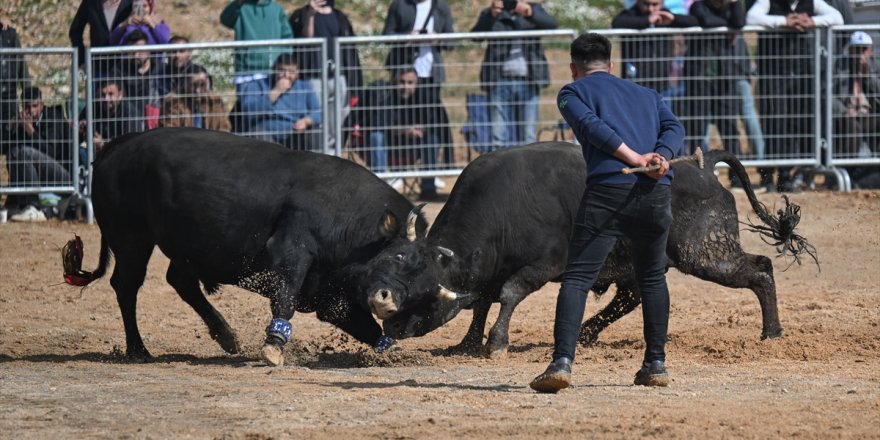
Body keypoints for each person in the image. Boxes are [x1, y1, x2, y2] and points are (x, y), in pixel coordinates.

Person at [529, 33, 684, 393]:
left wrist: (636, 159)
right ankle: (655, 364)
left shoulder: (571, 92)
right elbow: (675, 127)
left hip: (609, 191)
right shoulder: (647, 95)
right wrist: (660, 154)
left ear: (573, 67)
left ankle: (562, 362)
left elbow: (592, 129)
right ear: (611, 65)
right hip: (656, 192)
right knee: (652, 277)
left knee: (579, 278)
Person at [746, 0, 842, 192]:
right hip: (773, 74)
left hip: (800, 75)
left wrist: (811, 22)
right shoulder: (768, 2)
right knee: (774, 124)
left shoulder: (812, 3)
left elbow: (837, 18)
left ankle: (785, 176)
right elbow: (751, 18)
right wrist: (785, 21)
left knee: (793, 125)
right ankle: (767, 177)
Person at [687, 0, 765, 189]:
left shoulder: (732, 7)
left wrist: (735, 4)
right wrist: (725, 24)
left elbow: (739, 23)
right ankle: (698, 177)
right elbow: (705, 21)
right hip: (700, 76)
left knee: (729, 128)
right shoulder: (699, 6)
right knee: (697, 127)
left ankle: (736, 179)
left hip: (727, 77)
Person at [470, 0, 558, 150]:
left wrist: (529, 12)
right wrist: (491, 16)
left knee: (528, 136)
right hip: (499, 80)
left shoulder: (532, 9)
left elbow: (552, 25)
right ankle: (499, 171)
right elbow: (475, 36)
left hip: (529, 80)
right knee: (498, 136)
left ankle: (528, 172)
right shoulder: (491, 13)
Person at [361, 68, 452, 200]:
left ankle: (428, 189)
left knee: (432, 138)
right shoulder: (386, 96)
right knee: (376, 136)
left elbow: (436, 124)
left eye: (410, 82)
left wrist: (423, 129)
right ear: (394, 82)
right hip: (389, 148)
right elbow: (377, 123)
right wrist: (406, 130)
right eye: (402, 82)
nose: (405, 86)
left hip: (414, 149)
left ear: (417, 83)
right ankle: (379, 191)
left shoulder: (424, 98)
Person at [289, 0, 363, 151]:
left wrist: (354, 83)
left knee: (338, 121)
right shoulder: (302, 14)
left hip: (338, 77)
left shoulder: (339, 16)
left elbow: (350, 51)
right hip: (314, 77)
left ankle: (334, 157)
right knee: (318, 120)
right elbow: (306, 40)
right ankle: (320, 156)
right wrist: (311, 14)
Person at [5, 87, 72, 222]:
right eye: (26, 107)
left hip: (63, 175)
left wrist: (32, 133)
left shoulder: (53, 117)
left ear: (41, 105)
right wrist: (10, 128)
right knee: (14, 151)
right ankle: (18, 202)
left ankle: (33, 206)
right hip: (38, 173)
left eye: (34, 106)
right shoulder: (23, 121)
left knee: (24, 152)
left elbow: (51, 152)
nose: (30, 111)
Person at [611, 0, 698, 95]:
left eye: (655, 4)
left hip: (662, 84)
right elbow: (617, 22)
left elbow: (694, 22)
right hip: (635, 84)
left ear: (662, 3)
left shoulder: (664, 14)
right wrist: (647, 21)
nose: (650, 9)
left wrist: (674, 19)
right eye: (646, 4)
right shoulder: (630, 14)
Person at [239, 53, 322, 150]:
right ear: (274, 70)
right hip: (266, 134)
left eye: (291, 71)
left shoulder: (305, 87)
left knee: (316, 134)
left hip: (295, 134)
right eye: (282, 70)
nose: (286, 76)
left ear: (297, 74)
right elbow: (248, 111)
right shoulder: (257, 85)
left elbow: (318, 112)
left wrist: (306, 121)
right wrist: (275, 92)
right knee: (257, 133)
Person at [832, 31, 879, 188]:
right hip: (847, 115)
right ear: (850, 50)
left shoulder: (876, 66)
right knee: (852, 126)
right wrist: (843, 110)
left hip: (869, 114)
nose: (860, 53)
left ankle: (872, 171)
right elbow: (827, 95)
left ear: (870, 50)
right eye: (856, 49)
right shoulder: (839, 66)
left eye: (864, 49)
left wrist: (867, 76)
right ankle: (851, 172)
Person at [220, 0, 293, 88]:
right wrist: (237, 3)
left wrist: (281, 61)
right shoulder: (240, 7)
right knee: (250, 102)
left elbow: (287, 38)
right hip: (247, 73)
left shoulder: (276, 9)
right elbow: (225, 20)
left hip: (273, 72)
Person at [160, 64, 231, 132]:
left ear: (208, 84)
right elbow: (170, 131)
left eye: (202, 85)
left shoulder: (215, 101)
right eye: (193, 85)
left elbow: (224, 128)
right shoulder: (173, 101)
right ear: (185, 84)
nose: (197, 90)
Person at [80, 77, 143, 153]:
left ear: (120, 95)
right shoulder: (91, 108)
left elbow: (130, 147)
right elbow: (76, 134)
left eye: (110, 94)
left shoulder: (130, 114)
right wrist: (81, 130)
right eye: (103, 95)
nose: (106, 99)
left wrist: (104, 145)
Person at [69, 0, 133, 73]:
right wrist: (82, 59)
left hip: (124, 68)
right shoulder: (90, 3)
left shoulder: (130, 4)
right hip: (98, 67)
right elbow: (75, 31)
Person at [115, 29, 161, 129]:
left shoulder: (160, 69)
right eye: (132, 52)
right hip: (130, 122)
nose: (136, 55)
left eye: (140, 51)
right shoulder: (120, 70)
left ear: (148, 50)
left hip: (158, 120)